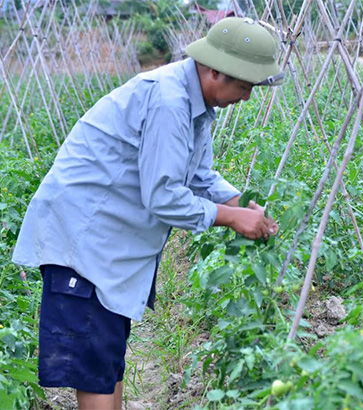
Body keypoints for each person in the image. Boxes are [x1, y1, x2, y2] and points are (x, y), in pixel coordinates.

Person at [11, 17, 283, 410]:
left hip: (110, 244)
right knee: (94, 371)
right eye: (244, 86)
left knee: (107, 362)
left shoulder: (195, 103)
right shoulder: (169, 101)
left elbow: (200, 174)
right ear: (214, 71)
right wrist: (229, 218)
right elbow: (163, 196)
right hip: (84, 243)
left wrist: (239, 203)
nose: (246, 97)